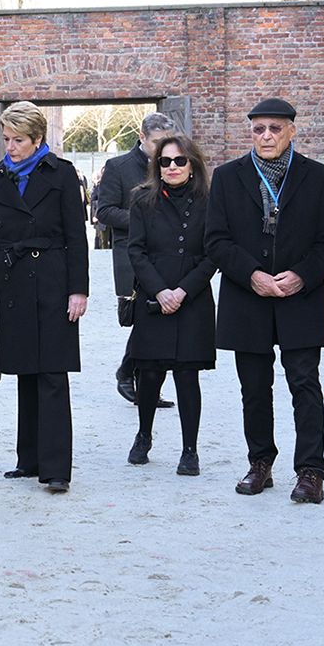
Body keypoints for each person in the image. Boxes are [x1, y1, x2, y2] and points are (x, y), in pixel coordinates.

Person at [203, 97, 324, 504]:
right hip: (248, 299)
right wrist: (252, 276)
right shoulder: (228, 177)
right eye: (258, 129)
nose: (266, 136)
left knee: (305, 384)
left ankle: (311, 471)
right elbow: (215, 240)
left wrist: (303, 274)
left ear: (291, 132)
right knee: (254, 389)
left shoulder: (316, 176)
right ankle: (260, 462)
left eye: (274, 129)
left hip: (301, 297)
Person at [0, 100, 89, 494]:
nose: (10, 147)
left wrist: (79, 290)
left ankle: (57, 468)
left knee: (52, 372)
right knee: (25, 370)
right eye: (6, 139)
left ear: (37, 138)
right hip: (13, 281)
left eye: (17, 140)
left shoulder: (62, 174)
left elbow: (77, 237)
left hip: (54, 281)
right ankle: (29, 458)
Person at [123, 134, 217, 476]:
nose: (173, 167)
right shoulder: (142, 200)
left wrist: (183, 291)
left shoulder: (209, 200)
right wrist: (161, 291)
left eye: (179, 161)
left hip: (192, 299)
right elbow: (136, 250)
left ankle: (189, 449)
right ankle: (144, 435)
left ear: (192, 164)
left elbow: (213, 253)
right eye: (165, 161)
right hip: (154, 297)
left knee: (187, 375)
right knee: (149, 374)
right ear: (157, 166)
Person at [95, 112, 179, 409]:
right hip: (133, 255)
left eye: (167, 141)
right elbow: (104, 212)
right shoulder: (118, 167)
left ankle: (141, 381)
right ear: (142, 137)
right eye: (157, 142)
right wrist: (144, 220)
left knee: (164, 319)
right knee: (144, 320)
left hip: (169, 255)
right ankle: (129, 374)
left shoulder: (176, 164)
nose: (163, 148)